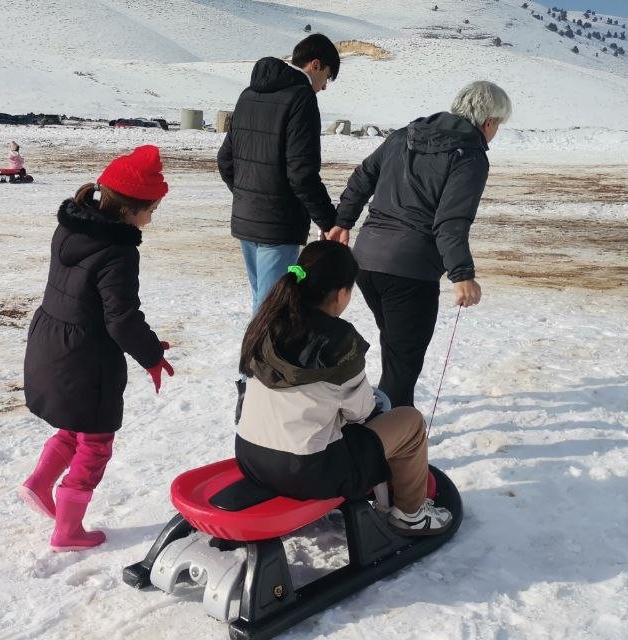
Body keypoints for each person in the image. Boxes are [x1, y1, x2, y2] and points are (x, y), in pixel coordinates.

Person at [235, 240, 452, 534]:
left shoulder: (265, 323)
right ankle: (411, 514)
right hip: (307, 472)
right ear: (341, 292)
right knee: (409, 422)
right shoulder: (338, 340)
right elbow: (361, 412)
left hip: (250, 457)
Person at [20, 145, 175, 551]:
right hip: (88, 357)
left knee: (74, 424)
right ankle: (68, 530)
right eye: (152, 209)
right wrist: (152, 356)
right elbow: (120, 318)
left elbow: (91, 302)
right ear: (129, 209)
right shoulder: (118, 252)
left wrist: (148, 344)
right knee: (97, 441)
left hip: (51, 342)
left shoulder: (71, 228)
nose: (152, 218)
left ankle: (39, 483)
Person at [333, 81, 511, 408]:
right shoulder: (469, 155)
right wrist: (462, 275)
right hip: (409, 271)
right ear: (489, 122)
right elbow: (451, 221)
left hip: (367, 261)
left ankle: (392, 427)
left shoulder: (405, 134)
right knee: (403, 363)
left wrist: (343, 221)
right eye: (498, 125)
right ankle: (391, 443)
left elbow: (363, 177)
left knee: (398, 352)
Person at [217, 33, 348, 314]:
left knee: (262, 302)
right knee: (273, 310)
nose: (324, 87)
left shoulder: (248, 94)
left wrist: (248, 196)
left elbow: (225, 159)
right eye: (327, 76)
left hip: (247, 219)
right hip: (278, 224)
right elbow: (301, 172)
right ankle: (261, 359)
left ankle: (256, 357)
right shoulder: (301, 98)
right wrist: (328, 221)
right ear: (315, 64)